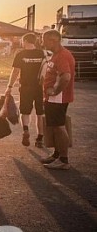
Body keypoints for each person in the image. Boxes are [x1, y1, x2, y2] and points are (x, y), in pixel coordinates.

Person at [39, 30, 75, 170]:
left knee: (59, 127)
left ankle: (64, 160)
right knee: (54, 126)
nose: (42, 43)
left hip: (57, 98)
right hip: (53, 98)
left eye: (44, 40)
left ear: (52, 40)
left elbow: (66, 77)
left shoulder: (63, 56)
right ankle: (56, 155)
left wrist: (55, 91)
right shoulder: (56, 55)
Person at [4, 33, 46, 147]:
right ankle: (40, 138)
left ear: (26, 41)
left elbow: (15, 71)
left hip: (26, 87)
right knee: (40, 114)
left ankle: (26, 130)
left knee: (25, 112)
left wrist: (9, 86)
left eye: (22, 41)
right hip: (40, 87)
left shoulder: (20, 54)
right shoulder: (42, 54)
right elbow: (46, 70)